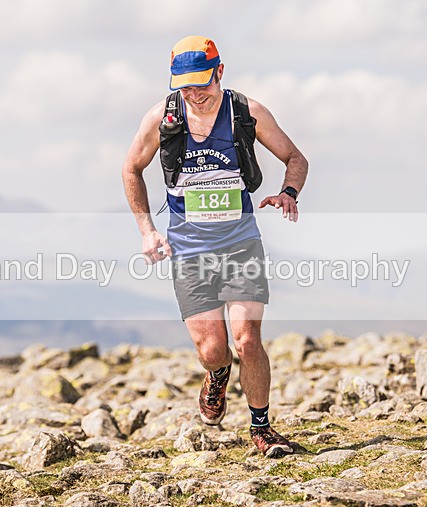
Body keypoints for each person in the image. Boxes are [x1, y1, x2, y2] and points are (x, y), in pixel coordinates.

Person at [122, 36, 308, 457]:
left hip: (241, 243)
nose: (193, 94)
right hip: (189, 250)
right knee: (213, 350)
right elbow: (131, 169)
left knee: (247, 338)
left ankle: (260, 428)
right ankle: (217, 376)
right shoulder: (161, 117)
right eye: (184, 87)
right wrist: (147, 230)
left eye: (201, 84)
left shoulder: (247, 112)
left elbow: (295, 157)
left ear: (219, 72)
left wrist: (289, 192)